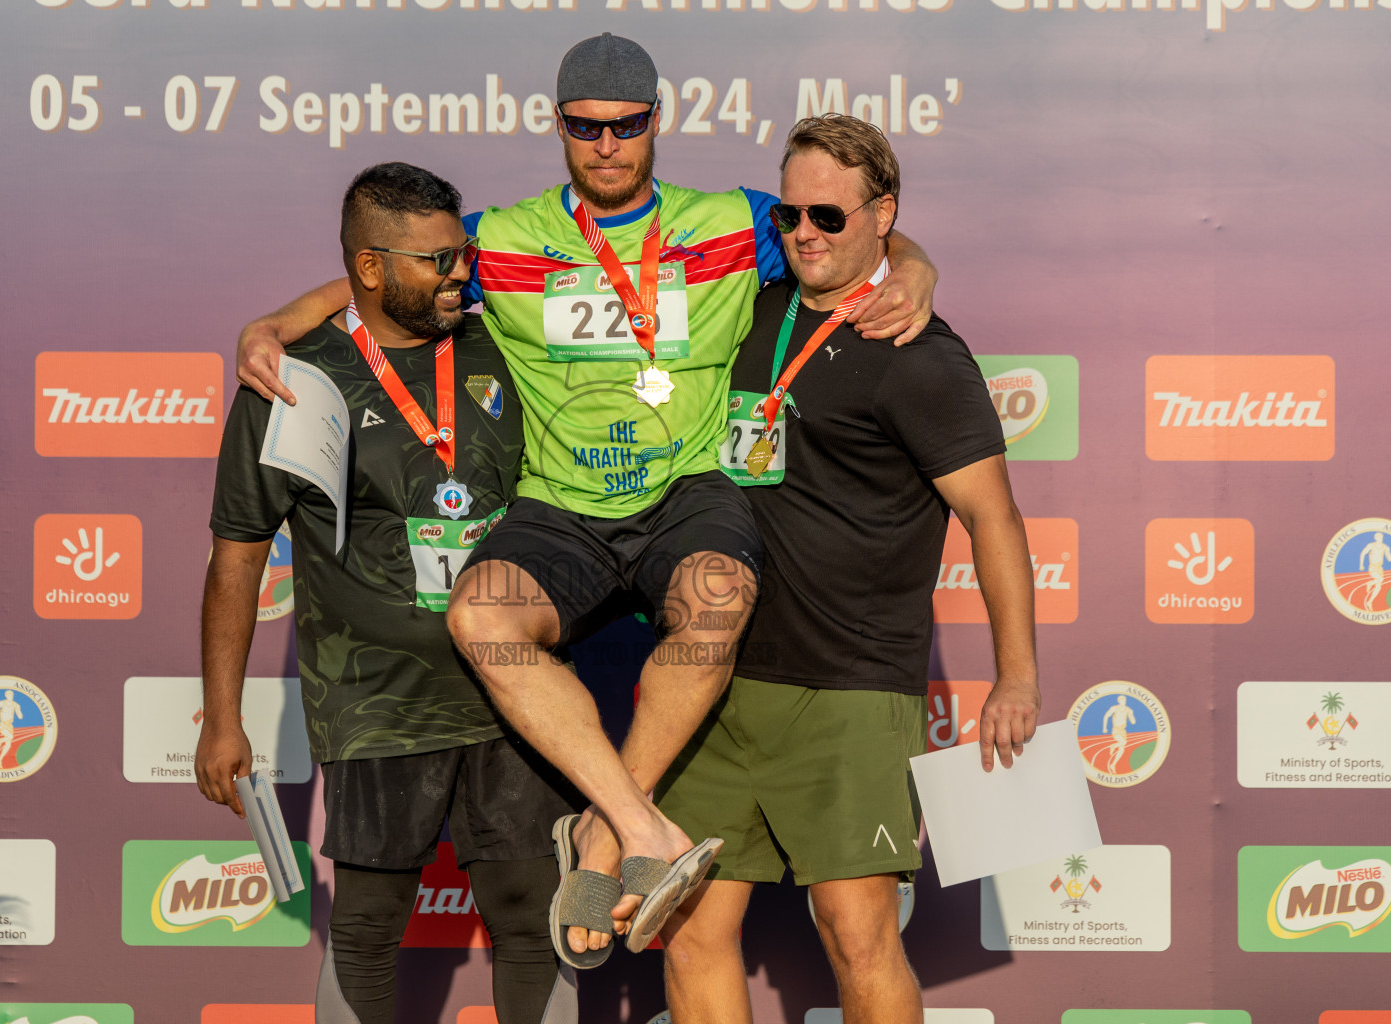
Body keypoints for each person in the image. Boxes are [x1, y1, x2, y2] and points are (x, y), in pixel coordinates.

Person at [232, 34, 941, 963]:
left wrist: (916, 269)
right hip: (560, 501)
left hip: (686, 488)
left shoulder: (737, 220)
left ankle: (608, 832)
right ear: (559, 126)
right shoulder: (508, 237)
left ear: (657, 120)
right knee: (480, 615)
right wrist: (275, 322)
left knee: (721, 595)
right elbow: (390, 266)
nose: (607, 145)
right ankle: (641, 826)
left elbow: (852, 231)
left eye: (627, 125)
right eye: (585, 127)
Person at [654, 115, 1041, 1024]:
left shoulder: (922, 355)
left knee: (857, 932)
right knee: (693, 932)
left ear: (883, 215)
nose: (804, 236)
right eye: (789, 215)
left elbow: (994, 519)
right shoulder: (750, 308)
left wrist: (1017, 676)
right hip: (712, 678)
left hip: (851, 686)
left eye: (829, 216)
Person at [195, 162, 580, 1024]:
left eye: (462, 256)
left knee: (531, 914)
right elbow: (237, 556)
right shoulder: (292, 380)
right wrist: (223, 716)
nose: (458, 276)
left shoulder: (503, 340)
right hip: (373, 694)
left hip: (514, 686)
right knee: (369, 926)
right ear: (369, 270)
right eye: (434, 263)